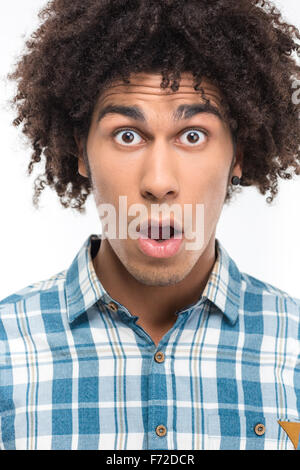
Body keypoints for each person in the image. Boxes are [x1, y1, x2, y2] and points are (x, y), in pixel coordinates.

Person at [1, 0, 300, 451]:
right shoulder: (6, 349)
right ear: (81, 153)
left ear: (238, 156)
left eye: (193, 135)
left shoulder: (294, 349)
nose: (159, 182)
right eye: (127, 135)